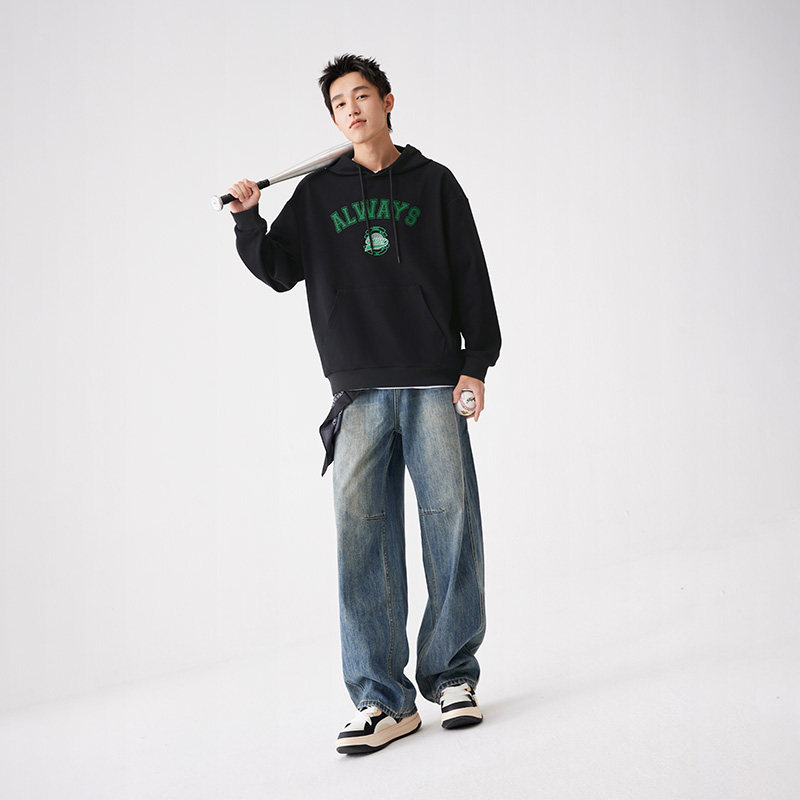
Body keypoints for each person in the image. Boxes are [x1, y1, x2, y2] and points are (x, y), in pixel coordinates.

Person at [226, 54, 501, 755]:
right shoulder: (318, 194)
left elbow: (471, 274)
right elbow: (279, 270)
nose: (351, 109)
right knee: (363, 540)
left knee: (452, 527)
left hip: (433, 381)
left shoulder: (435, 183)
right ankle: (383, 700)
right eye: (338, 103)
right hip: (356, 389)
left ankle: (452, 677)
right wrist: (249, 223)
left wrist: (475, 364)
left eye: (361, 96)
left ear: (387, 102)